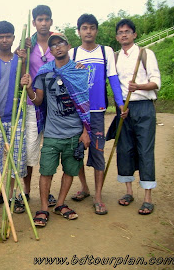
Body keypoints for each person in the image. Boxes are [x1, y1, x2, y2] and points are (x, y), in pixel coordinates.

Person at [21, 33, 91, 227]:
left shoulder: (80, 71)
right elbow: (39, 101)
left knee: (70, 170)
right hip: (52, 134)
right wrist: (28, 89)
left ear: (68, 46)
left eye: (61, 43)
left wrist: (86, 132)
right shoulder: (44, 72)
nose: (57, 47)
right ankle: (43, 208)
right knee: (46, 171)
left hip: (75, 133)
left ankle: (60, 204)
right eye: (53, 46)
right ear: (50, 51)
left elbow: (85, 104)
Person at [68, 14, 126, 215]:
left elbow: (113, 78)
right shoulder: (73, 53)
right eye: (84, 28)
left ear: (96, 30)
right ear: (79, 31)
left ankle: (98, 196)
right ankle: (84, 187)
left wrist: (120, 104)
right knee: (77, 153)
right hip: (77, 112)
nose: (88, 31)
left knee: (98, 151)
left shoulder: (106, 51)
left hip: (97, 111)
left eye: (92, 28)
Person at [113, 19, 160, 215]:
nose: (124, 35)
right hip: (124, 108)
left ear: (134, 35)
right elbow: (115, 85)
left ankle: (148, 198)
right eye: (120, 32)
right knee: (124, 149)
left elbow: (156, 83)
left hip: (143, 106)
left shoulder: (145, 54)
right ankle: (129, 192)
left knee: (145, 150)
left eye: (127, 32)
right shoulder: (115, 57)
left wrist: (138, 87)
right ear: (117, 37)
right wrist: (119, 106)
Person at [0, 21, 27, 213]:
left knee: (15, 159)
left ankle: (12, 194)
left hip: (16, 117)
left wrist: (24, 63)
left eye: (8, 36)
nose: (4, 40)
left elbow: (25, 82)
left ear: (13, 38)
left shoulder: (20, 60)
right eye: (0, 37)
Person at [20, 5, 57, 207]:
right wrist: (24, 53)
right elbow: (23, 70)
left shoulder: (57, 42)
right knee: (30, 148)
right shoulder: (28, 44)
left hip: (55, 103)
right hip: (33, 102)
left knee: (50, 148)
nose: (43, 23)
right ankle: (25, 191)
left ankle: (47, 192)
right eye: (40, 20)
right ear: (34, 22)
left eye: (47, 19)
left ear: (51, 21)